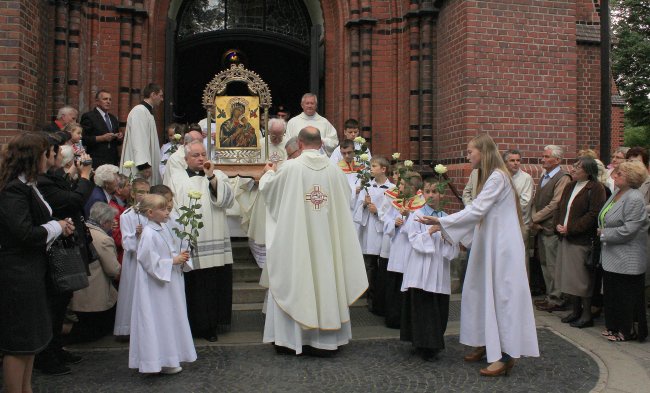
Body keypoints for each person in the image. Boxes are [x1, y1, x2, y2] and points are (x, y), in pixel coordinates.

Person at [418, 133, 539, 376]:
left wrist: (444, 222)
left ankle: (506, 354)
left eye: (471, 151)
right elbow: (479, 211)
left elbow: (477, 209)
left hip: (501, 247)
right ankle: (485, 343)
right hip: (489, 243)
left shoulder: (497, 177)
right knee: (481, 292)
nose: (467, 155)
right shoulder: (489, 176)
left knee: (502, 297)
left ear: (483, 152)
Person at [259, 126, 368, 355]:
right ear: (321, 144)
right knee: (327, 277)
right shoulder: (335, 171)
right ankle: (325, 342)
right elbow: (345, 200)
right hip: (328, 243)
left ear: (299, 144)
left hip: (296, 242)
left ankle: (291, 341)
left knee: (297, 280)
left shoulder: (289, 168)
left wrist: (269, 172)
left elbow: (269, 191)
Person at [0, 132, 75, 393]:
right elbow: (23, 233)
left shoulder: (28, 185)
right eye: (47, 154)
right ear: (34, 157)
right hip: (18, 273)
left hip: (33, 269)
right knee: (20, 341)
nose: (50, 158)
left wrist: (58, 226)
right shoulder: (13, 190)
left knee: (31, 340)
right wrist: (56, 226)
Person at [35, 133, 95, 375]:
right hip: (55, 248)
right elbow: (72, 200)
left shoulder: (53, 177)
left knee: (62, 301)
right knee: (53, 303)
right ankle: (46, 355)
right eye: (56, 153)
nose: (60, 155)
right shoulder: (43, 181)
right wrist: (83, 178)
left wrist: (73, 177)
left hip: (67, 242)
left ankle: (57, 348)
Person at [171, 141, 234, 341]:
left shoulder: (218, 175)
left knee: (214, 283)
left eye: (203, 154)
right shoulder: (177, 178)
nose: (200, 158)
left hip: (215, 238)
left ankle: (212, 325)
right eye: (195, 155)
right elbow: (172, 209)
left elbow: (226, 200)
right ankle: (192, 325)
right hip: (192, 241)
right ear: (186, 159)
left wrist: (211, 177)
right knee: (196, 285)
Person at [129, 194, 196, 374]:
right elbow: (148, 260)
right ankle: (156, 361)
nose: (168, 212)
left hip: (165, 284)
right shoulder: (149, 234)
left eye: (167, 208)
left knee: (167, 319)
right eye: (163, 209)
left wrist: (181, 256)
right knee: (158, 319)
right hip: (154, 287)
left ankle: (168, 358)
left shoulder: (162, 228)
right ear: (150, 213)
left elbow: (168, 251)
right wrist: (173, 261)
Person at [401, 179, 459, 361]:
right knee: (420, 306)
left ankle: (433, 344)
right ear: (422, 194)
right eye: (428, 191)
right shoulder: (416, 215)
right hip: (420, 267)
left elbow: (454, 247)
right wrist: (429, 232)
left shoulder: (446, 217)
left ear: (441, 194)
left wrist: (445, 234)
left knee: (437, 307)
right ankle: (419, 342)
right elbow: (413, 240)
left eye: (435, 192)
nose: (432, 195)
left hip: (438, 267)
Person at [599, 160, 650, 342]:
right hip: (612, 254)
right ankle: (613, 327)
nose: (614, 176)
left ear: (630, 177)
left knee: (627, 297)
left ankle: (627, 331)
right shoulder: (617, 193)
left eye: (619, 174)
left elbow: (630, 230)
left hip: (628, 256)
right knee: (613, 294)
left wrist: (604, 234)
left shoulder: (634, 198)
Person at [554, 157, 606, 328]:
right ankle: (575, 310)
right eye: (574, 166)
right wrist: (558, 225)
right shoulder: (570, 186)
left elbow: (593, 214)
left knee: (582, 280)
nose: (574, 169)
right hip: (566, 237)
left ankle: (586, 314)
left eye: (578, 167)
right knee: (570, 278)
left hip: (581, 240)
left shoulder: (595, 188)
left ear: (588, 171)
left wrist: (571, 228)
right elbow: (561, 207)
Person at [68, 202, 121, 343]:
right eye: (111, 222)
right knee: (94, 330)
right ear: (104, 222)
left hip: (79, 289)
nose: (113, 225)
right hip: (95, 291)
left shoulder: (81, 229)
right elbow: (112, 269)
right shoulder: (103, 239)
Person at [382, 172, 425, 328]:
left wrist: (409, 218)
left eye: (401, 185)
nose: (398, 187)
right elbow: (386, 218)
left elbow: (422, 227)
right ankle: (394, 318)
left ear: (411, 188)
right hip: (397, 248)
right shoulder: (398, 202)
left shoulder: (421, 204)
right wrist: (394, 222)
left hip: (410, 250)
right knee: (394, 284)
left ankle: (408, 320)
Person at [532, 145, 572, 312]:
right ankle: (550, 296)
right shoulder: (545, 176)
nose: (543, 159)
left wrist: (535, 217)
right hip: (541, 227)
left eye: (547, 156)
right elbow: (537, 199)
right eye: (543, 156)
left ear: (557, 160)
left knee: (554, 265)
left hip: (550, 227)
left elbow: (556, 203)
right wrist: (534, 219)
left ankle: (557, 298)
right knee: (545, 264)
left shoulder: (563, 178)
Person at [353, 156, 393, 315]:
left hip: (385, 229)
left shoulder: (392, 188)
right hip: (370, 229)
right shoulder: (367, 186)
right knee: (370, 264)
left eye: (374, 166)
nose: (371, 168)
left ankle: (381, 297)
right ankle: (371, 296)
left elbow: (393, 210)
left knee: (382, 264)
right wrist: (363, 204)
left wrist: (378, 212)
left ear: (383, 169)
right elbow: (357, 207)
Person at [113, 178, 150, 337]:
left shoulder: (152, 212)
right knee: (133, 293)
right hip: (134, 261)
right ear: (133, 194)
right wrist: (137, 235)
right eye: (141, 192)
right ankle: (130, 328)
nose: (145, 195)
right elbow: (127, 243)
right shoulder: (127, 215)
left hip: (149, 259)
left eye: (148, 192)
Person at [120, 83, 164, 185]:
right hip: (140, 167)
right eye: (160, 96)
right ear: (153, 94)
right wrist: (143, 165)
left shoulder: (147, 112)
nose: (162, 99)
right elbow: (138, 139)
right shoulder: (139, 111)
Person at [625, 147, 650, 288]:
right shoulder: (627, 184)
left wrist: (634, 211)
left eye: (636, 162)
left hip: (644, 235)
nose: (632, 165)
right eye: (629, 161)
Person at [80, 90, 122, 168]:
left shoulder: (113, 118)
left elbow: (118, 143)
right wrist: (101, 138)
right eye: (105, 99)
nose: (108, 101)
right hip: (97, 161)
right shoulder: (89, 116)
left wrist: (118, 137)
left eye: (110, 99)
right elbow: (83, 139)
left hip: (112, 161)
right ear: (97, 101)